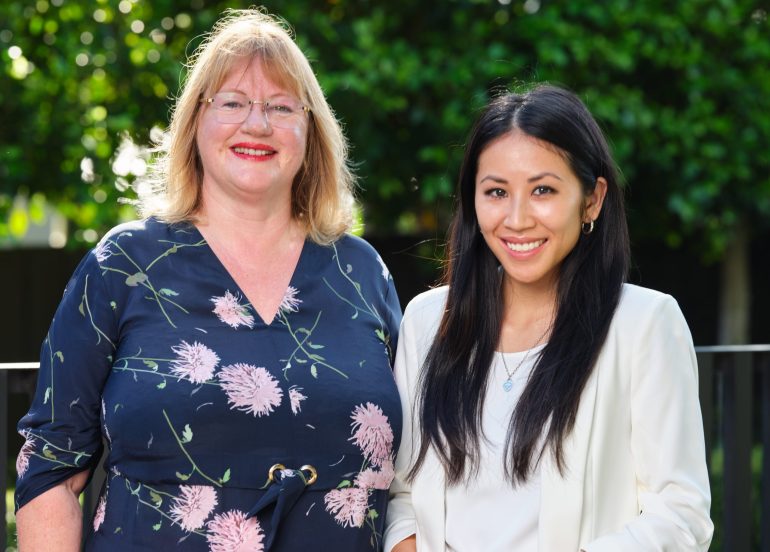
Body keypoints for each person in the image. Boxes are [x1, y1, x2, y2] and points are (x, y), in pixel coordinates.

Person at [15, 8, 402, 551]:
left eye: (281, 106)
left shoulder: (360, 273)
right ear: (195, 120)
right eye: (233, 103)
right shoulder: (124, 265)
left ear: (311, 130)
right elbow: (51, 468)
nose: (257, 125)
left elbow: (417, 475)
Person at [384, 85, 713, 551]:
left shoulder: (643, 324)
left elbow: (681, 516)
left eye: (543, 190)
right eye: (497, 191)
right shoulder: (427, 322)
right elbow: (399, 494)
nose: (517, 219)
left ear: (592, 200)